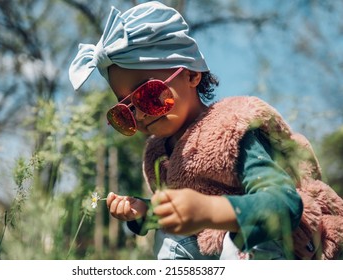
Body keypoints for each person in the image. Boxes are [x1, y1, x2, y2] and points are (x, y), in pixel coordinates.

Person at [69, 1, 343, 260]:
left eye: (150, 94)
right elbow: (186, 216)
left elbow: (285, 205)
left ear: (191, 75)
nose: (139, 114)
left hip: (281, 246)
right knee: (168, 236)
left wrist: (211, 210)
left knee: (242, 237)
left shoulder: (232, 129)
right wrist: (145, 211)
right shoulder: (161, 151)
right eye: (125, 111)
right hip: (209, 248)